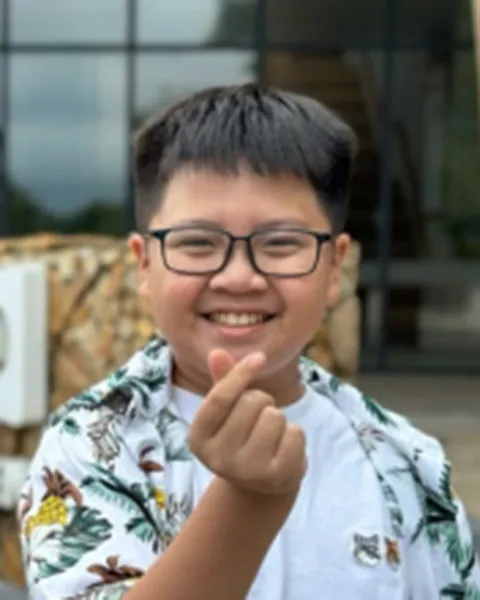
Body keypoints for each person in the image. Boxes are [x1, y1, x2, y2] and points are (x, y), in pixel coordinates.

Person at [18, 84, 479, 600]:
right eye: (198, 243)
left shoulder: (405, 460)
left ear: (334, 266)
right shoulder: (90, 445)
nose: (239, 278)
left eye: (281, 244)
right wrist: (250, 500)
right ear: (144, 264)